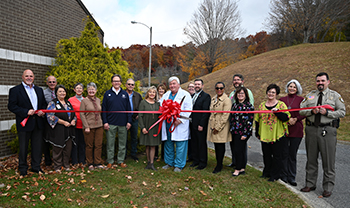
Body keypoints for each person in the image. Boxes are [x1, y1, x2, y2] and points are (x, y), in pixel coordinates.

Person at [300, 72, 346, 198]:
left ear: (328, 82)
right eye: (318, 81)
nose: (320, 83)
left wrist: (327, 113)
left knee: (328, 161)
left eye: (322, 81)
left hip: (328, 131)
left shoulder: (335, 96)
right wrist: (311, 111)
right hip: (311, 130)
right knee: (311, 160)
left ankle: (328, 187)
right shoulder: (310, 96)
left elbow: (342, 112)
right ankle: (310, 183)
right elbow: (301, 110)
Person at [8, 69, 47, 176]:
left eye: (31, 76)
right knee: (23, 147)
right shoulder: (15, 90)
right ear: (22, 77)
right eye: (27, 76)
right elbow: (11, 106)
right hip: (24, 123)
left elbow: (43, 104)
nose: (29, 78)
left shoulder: (39, 90)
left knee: (37, 147)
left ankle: (36, 167)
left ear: (33, 77)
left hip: (38, 123)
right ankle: (23, 168)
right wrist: (25, 111)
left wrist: (42, 111)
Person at [255, 84, 290, 182]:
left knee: (277, 156)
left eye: (273, 92)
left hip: (277, 134)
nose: (271, 94)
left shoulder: (281, 105)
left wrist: (278, 112)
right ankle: (266, 172)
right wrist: (257, 132)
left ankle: (275, 175)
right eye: (269, 92)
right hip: (265, 134)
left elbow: (286, 118)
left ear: (277, 94)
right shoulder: (262, 105)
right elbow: (257, 119)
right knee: (266, 155)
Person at [160, 76, 192, 172]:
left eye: (174, 83)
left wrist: (180, 120)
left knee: (180, 145)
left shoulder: (185, 95)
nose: (172, 85)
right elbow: (161, 106)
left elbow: (188, 109)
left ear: (178, 84)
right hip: (168, 123)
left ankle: (179, 164)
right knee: (168, 143)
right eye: (170, 84)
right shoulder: (166, 95)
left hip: (180, 124)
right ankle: (169, 162)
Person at [102, 74, 132, 168]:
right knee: (110, 144)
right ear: (112, 82)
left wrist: (129, 121)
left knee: (122, 144)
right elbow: (104, 109)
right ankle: (110, 161)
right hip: (110, 123)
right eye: (115, 81)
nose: (116, 83)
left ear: (120, 82)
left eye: (118, 81)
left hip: (123, 123)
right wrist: (105, 122)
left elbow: (129, 109)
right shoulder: (107, 94)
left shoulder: (125, 94)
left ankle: (120, 161)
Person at [279, 79, 305, 186]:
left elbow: (305, 112)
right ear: (287, 87)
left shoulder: (302, 100)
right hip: (284, 129)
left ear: (297, 88)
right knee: (284, 153)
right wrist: (287, 119)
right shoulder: (282, 99)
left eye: (294, 87)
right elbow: (279, 113)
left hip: (296, 129)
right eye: (290, 86)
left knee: (292, 154)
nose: (292, 88)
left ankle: (291, 176)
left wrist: (295, 119)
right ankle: (283, 175)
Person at [46, 85, 76, 173]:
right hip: (58, 129)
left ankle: (66, 165)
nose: (62, 93)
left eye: (63, 91)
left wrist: (74, 120)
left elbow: (74, 114)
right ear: (56, 93)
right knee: (58, 148)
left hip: (69, 130)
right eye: (60, 91)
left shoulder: (68, 103)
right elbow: (50, 116)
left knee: (68, 148)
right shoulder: (53, 103)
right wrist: (63, 122)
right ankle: (57, 167)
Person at [227, 74, 254, 168]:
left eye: (238, 80)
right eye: (234, 80)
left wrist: (246, 131)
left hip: (243, 127)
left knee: (241, 148)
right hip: (234, 126)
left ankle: (242, 165)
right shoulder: (232, 93)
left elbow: (250, 112)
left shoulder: (248, 92)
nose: (236, 82)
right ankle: (235, 162)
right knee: (234, 146)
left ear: (242, 81)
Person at [207, 82, 232, 174]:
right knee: (216, 146)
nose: (219, 90)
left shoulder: (227, 100)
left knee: (220, 146)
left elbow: (225, 115)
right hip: (213, 125)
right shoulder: (213, 98)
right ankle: (218, 163)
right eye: (217, 88)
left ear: (224, 89)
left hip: (221, 127)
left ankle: (219, 165)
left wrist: (218, 127)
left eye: (221, 88)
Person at [80, 82, 104, 170]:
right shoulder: (84, 101)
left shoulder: (98, 100)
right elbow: (82, 114)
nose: (91, 91)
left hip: (99, 125)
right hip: (89, 126)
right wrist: (86, 126)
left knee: (98, 145)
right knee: (89, 145)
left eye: (93, 89)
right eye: (90, 89)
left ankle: (97, 162)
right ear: (87, 90)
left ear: (96, 90)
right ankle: (90, 163)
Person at [189, 79, 211, 170]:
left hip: (200, 125)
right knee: (194, 143)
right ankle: (196, 160)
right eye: (195, 84)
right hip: (192, 123)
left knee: (201, 143)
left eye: (198, 84)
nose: (197, 86)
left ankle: (203, 162)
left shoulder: (206, 96)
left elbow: (206, 112)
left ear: (202, 86)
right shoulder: (193, 96)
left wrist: (201, 124)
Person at [138, 86, 161, 170]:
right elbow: (140, 116)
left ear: (156, 94)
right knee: (147, 145)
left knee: (153, 145)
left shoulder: (157, 104)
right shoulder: (143, 103)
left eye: (154, 92)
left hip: (155, 127)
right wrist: (142, 127)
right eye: (150, 92)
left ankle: (152, 163)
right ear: (148, 93)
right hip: (146, 126)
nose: (152, 94)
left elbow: (160, 115)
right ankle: (148, 162)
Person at [68, 83, 86, 167]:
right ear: (74, 90)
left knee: (82, 143)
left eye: (80, 88)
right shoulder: (70, 100)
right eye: (77, 88)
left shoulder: (85, 99)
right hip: (74, 124)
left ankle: (82, 160)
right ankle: (74, 161)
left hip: (83, 125)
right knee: (75, 143)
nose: (79, 89)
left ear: (83, 90)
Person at [125, 78, 142, 161]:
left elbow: (141, 106)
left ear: (134, 86)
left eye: (132, 84)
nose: (130, 86)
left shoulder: (138, 95)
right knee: (124, 137)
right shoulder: (122, 94)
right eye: (129, 84)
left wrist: (139, 114)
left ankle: (133, 154)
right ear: (126, 85)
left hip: (134, 118)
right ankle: (123, 154)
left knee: (134, 137)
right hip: (124, 119)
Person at [42, 75, 57, 167]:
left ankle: (57, 160)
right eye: (50, 82)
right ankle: (48, 161)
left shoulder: (59, 91)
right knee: (46, 141)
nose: (52, 83)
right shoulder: (43, 93)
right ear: (47, 83)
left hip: (58, 120)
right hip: (46, 120)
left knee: (56, 139)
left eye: (53, 82)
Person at [155, 83, 168, 160]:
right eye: (159, 89)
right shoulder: (155, 98)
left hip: (164, 120)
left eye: (162, 89)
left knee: (164, 138)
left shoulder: (166, 98)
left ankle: (163, 155)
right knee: (156, 137)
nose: (161, 90)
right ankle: (155, 155)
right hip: (156, 119)